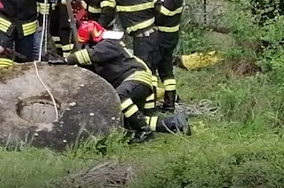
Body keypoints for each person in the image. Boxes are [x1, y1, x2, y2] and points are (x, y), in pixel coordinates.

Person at [52, 21, 190, 143]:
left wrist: (67, 60)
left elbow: (92, 54)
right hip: (132, 83)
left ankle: (145, 130)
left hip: (137, 77)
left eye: (88, 44)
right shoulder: (98, 53)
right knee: (127, 122)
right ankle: (175, 123)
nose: (86, 47)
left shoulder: (110, 44)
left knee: (120, 97)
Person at [66, 0, 160, 74]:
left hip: (143, 40)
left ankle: (150, 90)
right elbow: (158, 10)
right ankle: (156, 89)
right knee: (150, 70)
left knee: (144, 71)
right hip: (151, 36)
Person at [153, 0, 185, 112]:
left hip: (164, 36)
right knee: (165, 68)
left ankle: (158, 102)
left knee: (155, 67)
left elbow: (160, 15)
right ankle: (170, 102)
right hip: (169, 35)